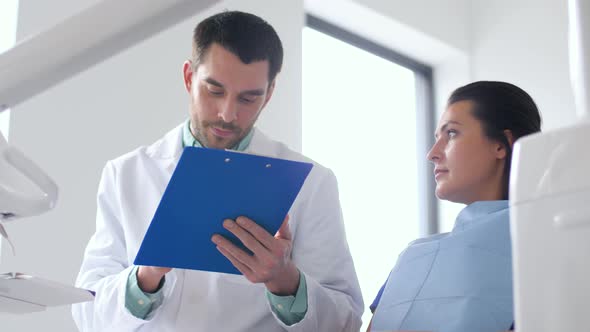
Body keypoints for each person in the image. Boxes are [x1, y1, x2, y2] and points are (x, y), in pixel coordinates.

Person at [72, 11, 363, 332]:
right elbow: (87, 313)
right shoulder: (126, 174)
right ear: (188, 78)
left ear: (269, 94)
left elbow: (346, 321)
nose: (227, 114)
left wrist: (285, 281)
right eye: (214, 90)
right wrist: (146, 275)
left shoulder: (312, 183)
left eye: (248, 98)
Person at [368, 81, 542, 332]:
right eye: (437, 137)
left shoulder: (549, 248)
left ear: (501, 144)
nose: (432, 153)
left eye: (451, 133)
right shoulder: (412, 257)